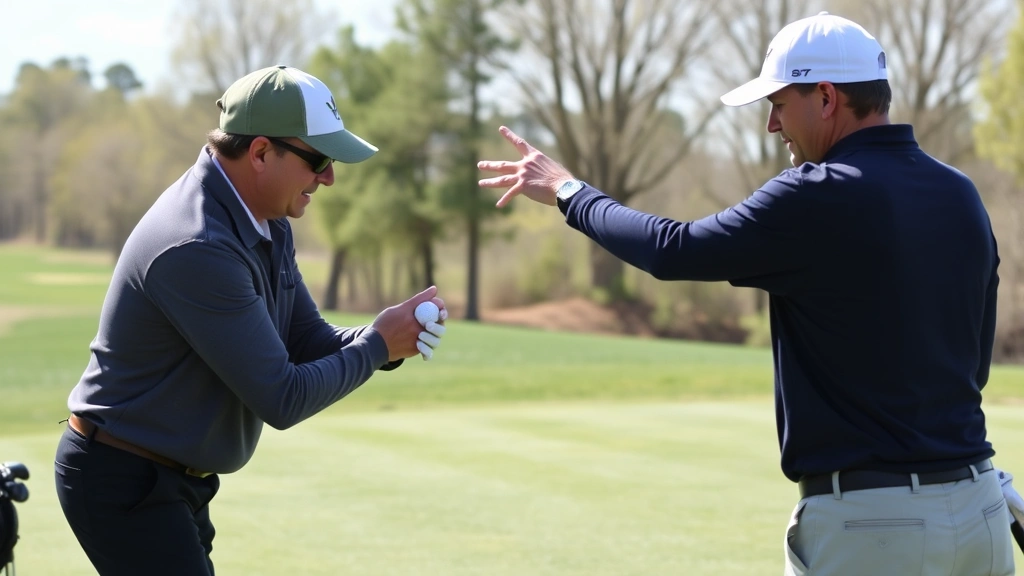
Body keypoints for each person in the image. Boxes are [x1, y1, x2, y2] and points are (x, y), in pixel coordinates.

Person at [479, 12, 1011, 576]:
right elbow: (972, 365)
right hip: (980, 512)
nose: (772, 126)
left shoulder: (816, 196)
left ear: (826, 97)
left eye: (779, 105)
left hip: (872, 531)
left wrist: (569, 192)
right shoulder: (960, 194)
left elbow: (672, 249)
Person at [54, 65, 448, 576]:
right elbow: (281, 397)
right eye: (319, 159)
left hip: (172, 476)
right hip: (122, 477)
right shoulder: (198, 244)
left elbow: (306, 339)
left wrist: (387, 342)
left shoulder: (264, 218)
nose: (328, 177)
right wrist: (376, 346)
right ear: (261, 152)